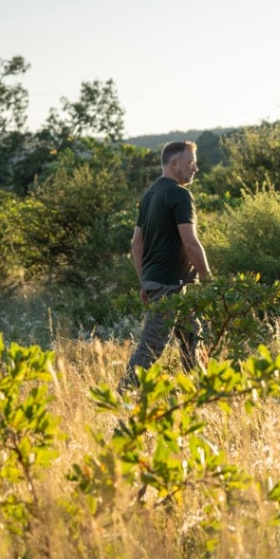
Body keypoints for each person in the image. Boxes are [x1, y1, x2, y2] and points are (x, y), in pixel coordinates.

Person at [120, 140, 212, 389]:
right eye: (191, 162)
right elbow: (190, 243)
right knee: (151, 347)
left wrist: (144, 282)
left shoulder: (150, 194)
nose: (195, 168)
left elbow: (136, 245)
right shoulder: (179, 194)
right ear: (174, 163)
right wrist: (209, 279)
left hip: (166, 284)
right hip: (169, 286)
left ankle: (200, 392)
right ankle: (122, 396)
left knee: (192, 339)